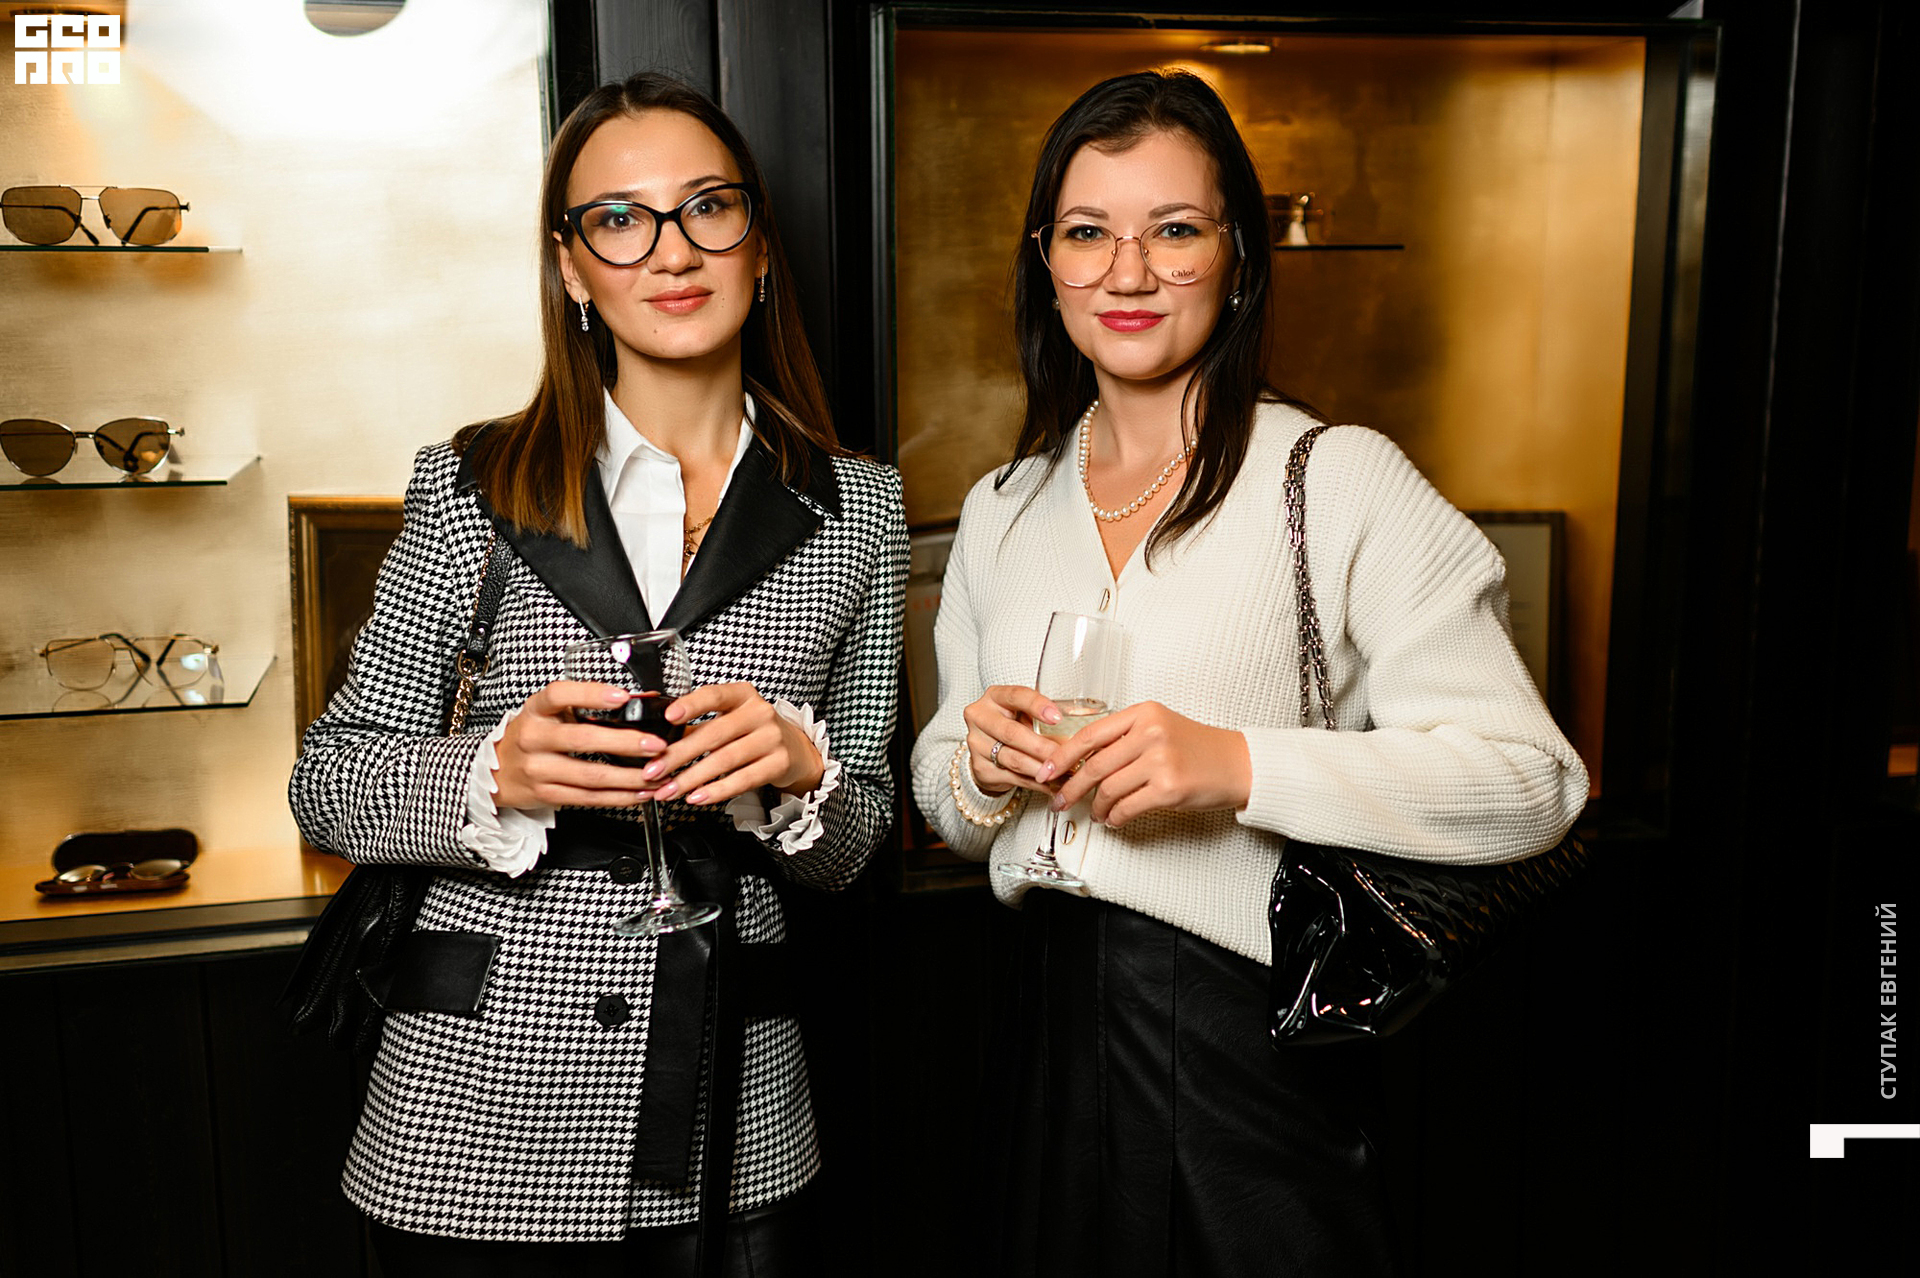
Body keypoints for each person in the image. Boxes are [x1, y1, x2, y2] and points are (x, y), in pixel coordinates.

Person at [908, 70, 1588, 1276]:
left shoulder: (1335, 478)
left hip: (1244, 1041)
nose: (1127, 272)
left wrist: (1235, 767)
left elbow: (1533, 781)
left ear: (1237, 259)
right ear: (1045, 262)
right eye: (1088, 232)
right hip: (1038, 1033)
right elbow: (947, 796)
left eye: (1174, 230)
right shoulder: (1003, 507)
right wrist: (980, 767)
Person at [291, 72, 906, 1276]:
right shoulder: (473, 484)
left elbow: (858, 844)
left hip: (733, 1095)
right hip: (473, 1109)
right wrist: (495, 774)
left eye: (707, 207)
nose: (670, 250)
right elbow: (329, 784)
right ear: (572, 268)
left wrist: (801, 773)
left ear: (758, 245)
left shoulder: (859, 509)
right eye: (618, 219)